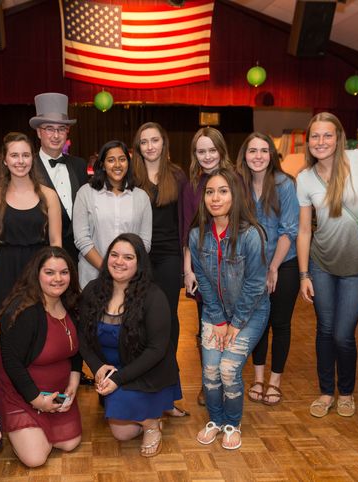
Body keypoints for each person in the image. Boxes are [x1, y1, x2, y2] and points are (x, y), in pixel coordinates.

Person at [296, 112, 358, 418]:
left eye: (327, 135)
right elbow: (305, 230)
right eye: (315, 136)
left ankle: (346, 391)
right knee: (325, 330)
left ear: (339, 136)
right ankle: (325, 392)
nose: (321, 142)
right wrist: (304, 274)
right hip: (322, 265)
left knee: (344, 334)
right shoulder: (304, 178)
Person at [78, 233, 180, 458]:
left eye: (128, 257)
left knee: (121, 432)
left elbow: (157, 349)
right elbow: (81, 336)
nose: (119, 261)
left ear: (139, 263)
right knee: (121, 432)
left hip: (146, 370)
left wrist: (118, 379)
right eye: (114, 255)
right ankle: (146, 413)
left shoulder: (154, 296)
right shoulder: (93, 290)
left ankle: (151, 423)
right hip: (110, 370)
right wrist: (97, 368)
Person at [190, 168, 268, 451]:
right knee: (209, 370)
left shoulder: (251, 235)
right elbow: (204, 283)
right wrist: (219, 320)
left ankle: (233, 424)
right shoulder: (197, 235)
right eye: (210, 192)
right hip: (215, 313)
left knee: (227, 368)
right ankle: (216, 420)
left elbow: (255, 285)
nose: (215, 198)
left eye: (223, 191)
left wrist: (234, 323)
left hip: (250, 314)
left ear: (236, 195)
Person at [0, 247, 82, 467]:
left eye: (64, 272)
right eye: (49, 272)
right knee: (35, 459)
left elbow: (78, 349)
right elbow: (12, 363)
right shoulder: (26, 311)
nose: (58, 279)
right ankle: (16, 425)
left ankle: (35, 432)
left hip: (56, 391)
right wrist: (36, 400)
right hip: (20, 390)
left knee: (70, 443)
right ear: (36, 274)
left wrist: (74, 380)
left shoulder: (72, 303)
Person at [236, 133, 300, 406]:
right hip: (250, 267)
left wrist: (272, 267)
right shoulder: (238, 184)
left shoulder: (285, 184)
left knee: (280, 323)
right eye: (253, 150)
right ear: (245, 154)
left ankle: (275, 381)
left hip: (283, 264)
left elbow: (289, 230)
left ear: (271, 155)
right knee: (257, 324)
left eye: (264, 150)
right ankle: (258, 378)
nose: (259, 156)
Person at [132, 122, 188, 417]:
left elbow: (185, 222)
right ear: (138, 147)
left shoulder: (177, 176)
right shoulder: (131, 177)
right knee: (138, 322)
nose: (150, 146)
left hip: (168, 257)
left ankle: (168, 394)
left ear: (164, 144)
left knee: (167, 322)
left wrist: (186, 264)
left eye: (155, 140)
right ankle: (141, 389)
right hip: (138, 259)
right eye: (144, 142)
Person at [0, 132, 62, 319]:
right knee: (8, 330)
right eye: (14, 155)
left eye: (25, 155)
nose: (20, 161)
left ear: (32, 159)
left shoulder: (49, 196)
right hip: (5, 269)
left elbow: (56, 241)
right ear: (5, 160)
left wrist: (53, 274)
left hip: (39, 268)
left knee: (39, 325)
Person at [178, 127, 234, 406]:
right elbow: (188, 230)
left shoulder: (236, 181)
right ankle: (208, 382)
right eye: (202, 151)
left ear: (221, 151)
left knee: (232, 327)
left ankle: (228, 380)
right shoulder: (190, 185)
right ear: (195, 154)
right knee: (208, 327)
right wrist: (188, 270)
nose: (207, 156)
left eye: (212, 150)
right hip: (203, 267)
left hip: (233, 268)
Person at [73, 140, 152, 288]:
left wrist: (125, 269)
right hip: (92, 277)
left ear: (128, 163)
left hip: (130, 278)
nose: (117, 165)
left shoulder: (141, 197)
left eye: (122, 159)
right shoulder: (85, 193)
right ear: (102, 165)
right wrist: (106, 269)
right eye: (111, 160)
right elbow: (82, 239)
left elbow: (145, 242)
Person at [29, 92, 88, 261]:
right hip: (40, 255)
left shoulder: (79, 165)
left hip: (78, 257)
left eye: (61, 129)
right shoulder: (28, 167)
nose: (56, 135)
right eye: (50, 129)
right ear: (39, 133)